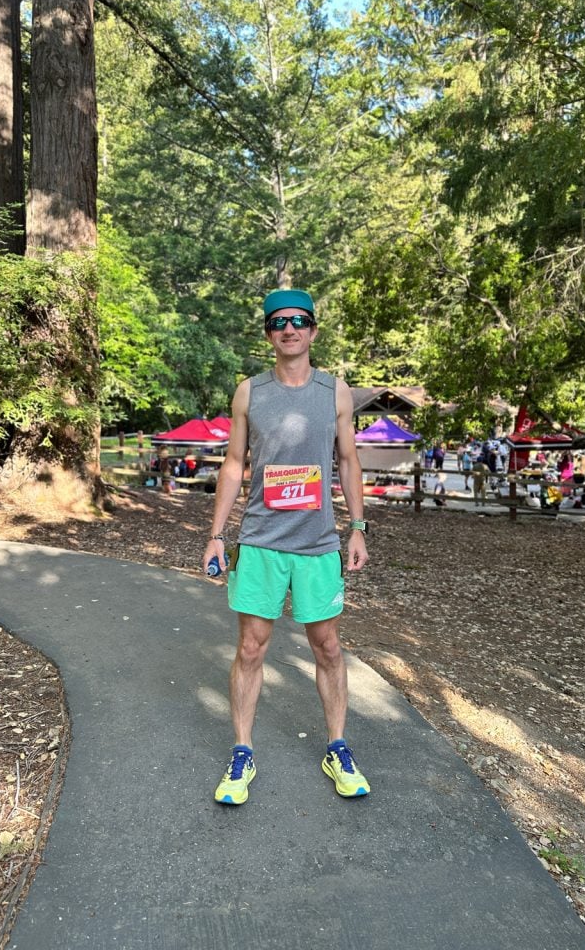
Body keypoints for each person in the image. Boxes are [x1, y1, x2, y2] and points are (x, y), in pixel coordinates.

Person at [203, 289, 371, 806]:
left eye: (299, 321)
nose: (290, 329)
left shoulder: (335, 392)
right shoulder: (248, 393)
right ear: (269, 334)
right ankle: (242, 751)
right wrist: (216, 532)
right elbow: (234, 463)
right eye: (279, 322)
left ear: (314, 330)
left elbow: (347, 461)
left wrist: (358, 526)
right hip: (260, 540)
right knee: (251, 648)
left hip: (318, 542)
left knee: (328, 647)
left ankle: (337, 748)